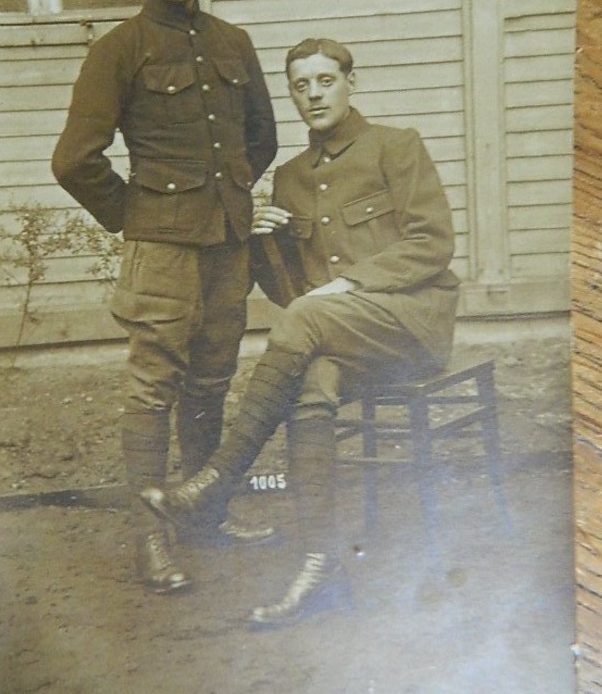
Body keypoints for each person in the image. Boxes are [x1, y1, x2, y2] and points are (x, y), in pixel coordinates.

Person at [141, 37, 460, 625]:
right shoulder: (289, 178)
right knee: (312, 377)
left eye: (325, 80)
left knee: (309, 324)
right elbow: (294, 296)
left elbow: (433, 243)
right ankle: (320, 567)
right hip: (340, 335)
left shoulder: (396, 146)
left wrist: (353, 285)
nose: (313, 94)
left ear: (350, 82)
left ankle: (216, 479)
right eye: (300, 85)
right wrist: (255, 236)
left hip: (411, 324)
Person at [52, 0, 278, 596]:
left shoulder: (233, 42)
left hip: (225, 246)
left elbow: (259, 138)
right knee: (153, 386)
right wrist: (137, 216)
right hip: (162, 250)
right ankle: (152, 534)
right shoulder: (118, 49)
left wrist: (232, 201)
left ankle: (204, 513)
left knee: (212, 378)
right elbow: (74, 160)